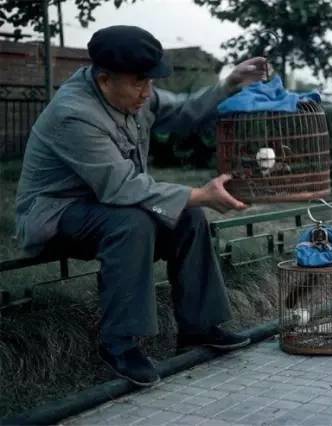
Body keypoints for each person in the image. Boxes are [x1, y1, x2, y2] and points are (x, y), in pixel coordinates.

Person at [15, 25, 268, 386]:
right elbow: (121, 187)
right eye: (139, 83)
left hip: (109, 207)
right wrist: (201, 192)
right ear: (103, 80)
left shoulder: (131, 91)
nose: (148, 92)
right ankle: (120, 344)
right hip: (56, 215)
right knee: (133, 222)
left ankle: (199, 327)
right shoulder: (74, 113)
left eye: (150, 82)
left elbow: (185, 111)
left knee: (189, 215)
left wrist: (230, 82)